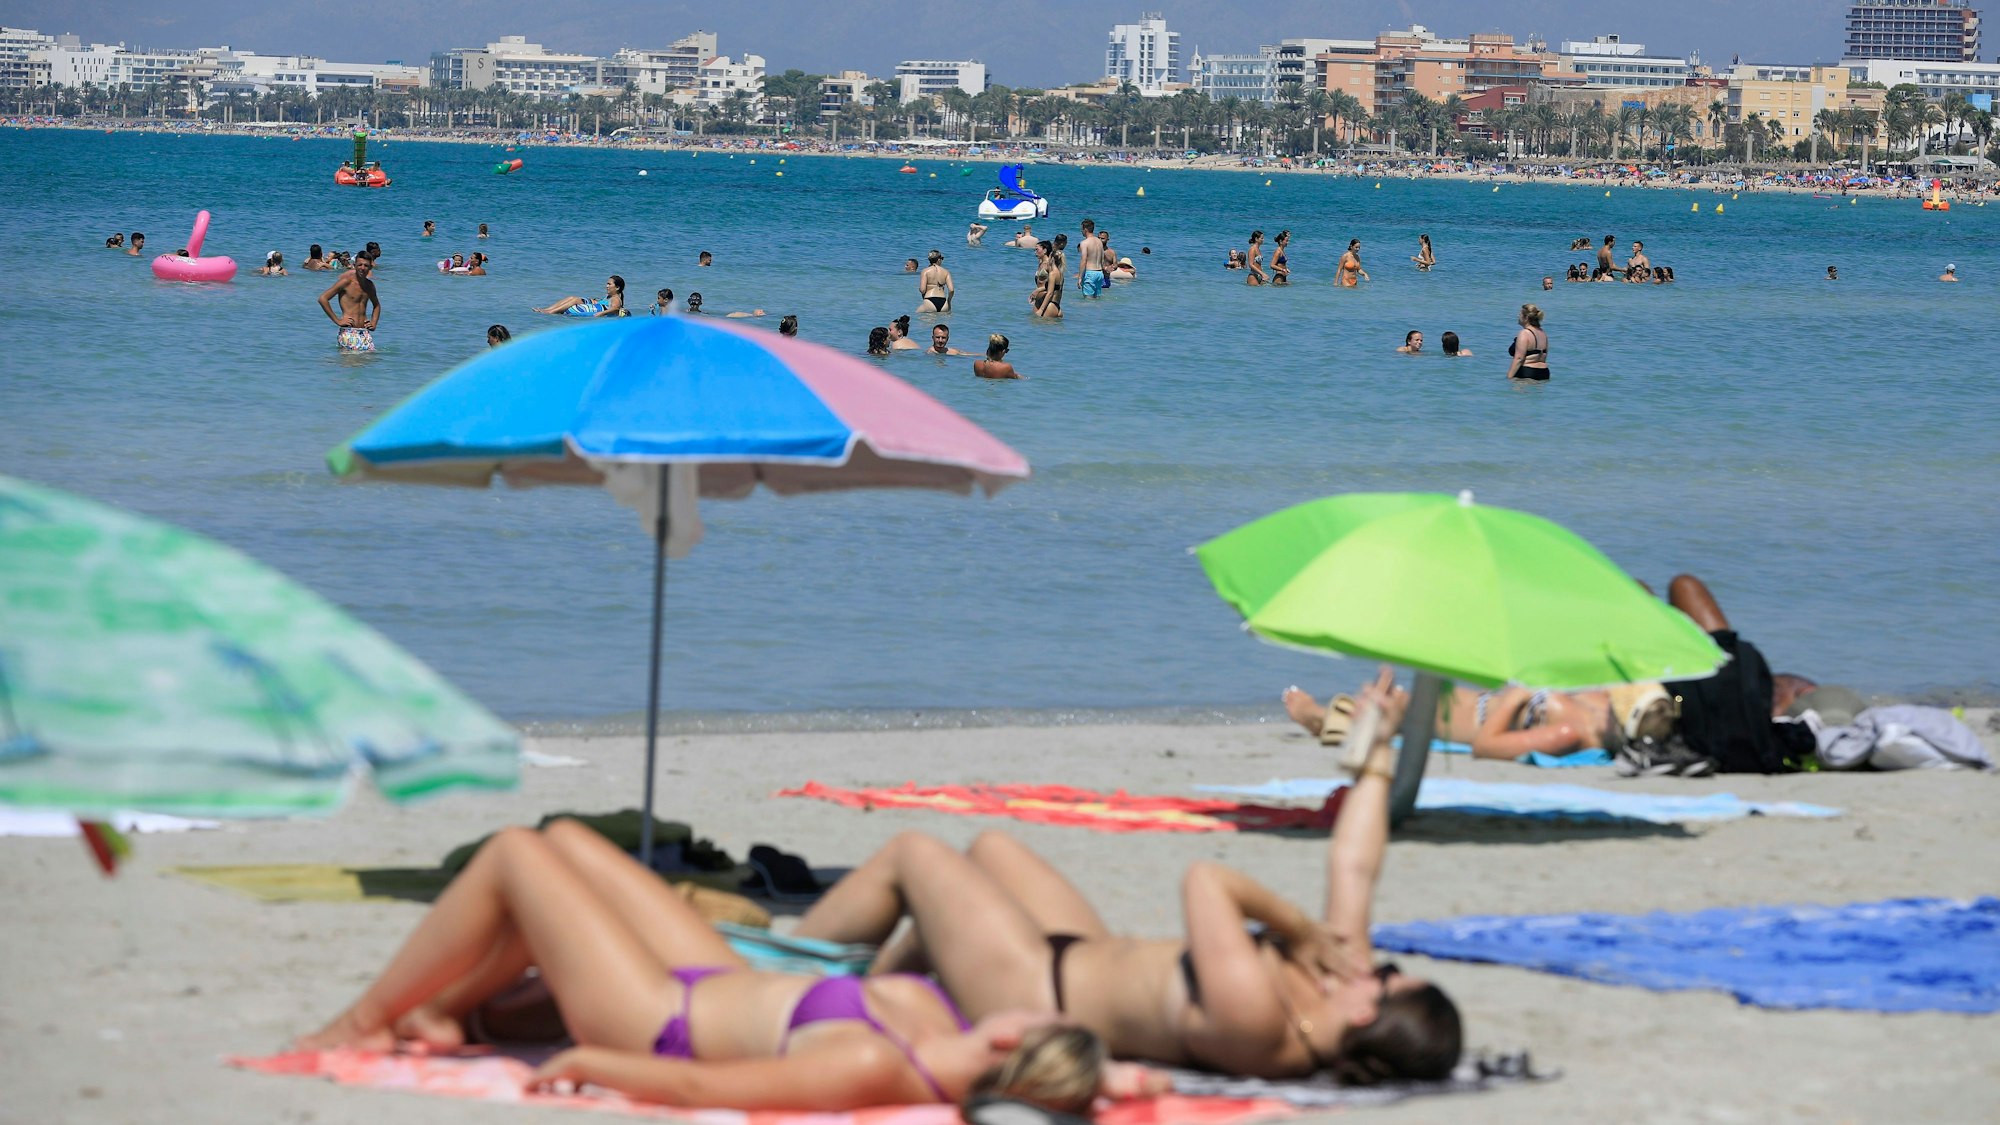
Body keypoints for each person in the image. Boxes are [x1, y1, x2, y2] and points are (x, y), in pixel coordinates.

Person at [794, 669, 1464, 1085]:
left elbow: (1206, 881)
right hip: (1083, 952)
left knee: (915, 853)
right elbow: (1355, 863)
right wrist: (1377, 746)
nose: (1373, 965)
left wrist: (1293, 924)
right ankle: (885, 989)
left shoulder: (1257, 1019)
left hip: (1036, 986)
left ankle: (786, 981)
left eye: (1385, 975)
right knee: (993, 848)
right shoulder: (1334, 982)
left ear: (1365, 1011)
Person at [297, 818, 1124, 1114]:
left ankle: (362, 1024)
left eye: (1054, 1029)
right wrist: (1101, 1083)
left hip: (662, 1019)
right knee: (573, 844)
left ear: (1012, 1051)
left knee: (519, 854)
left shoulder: (879, 1063)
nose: (1049, 1012)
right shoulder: (954, 1029)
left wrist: (589, 1060)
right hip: (718, 973)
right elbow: (1101, 1081)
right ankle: (453, 1012)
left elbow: (703, 1090)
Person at [319, 256, 381, 352]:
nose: (362, 268)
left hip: (365, 333)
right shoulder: (346, 282)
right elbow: (323, 299)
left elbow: (376, 305)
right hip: (348, 332)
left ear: (370, 267)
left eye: (366, 265)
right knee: (350, 364)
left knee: (368, 363)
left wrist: (373, 323)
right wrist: (337, 320)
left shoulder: (370, 285)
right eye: (360, 264)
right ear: (354, 265)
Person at [537, 276, 627, 317]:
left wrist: (601, 314)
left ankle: (551, 312)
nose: (606, 286)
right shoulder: (609, 296)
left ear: (617, 287)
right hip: (594, 304)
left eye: (609, 284)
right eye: (606, 284)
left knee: (575, 300)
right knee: (571, 297)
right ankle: (548, 309)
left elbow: (615, 308)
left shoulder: (616, 298)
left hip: (598, 310)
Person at [1504, 304, 1548, 381]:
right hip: (1544, 373)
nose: (1518, 315)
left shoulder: (1524, 333)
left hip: (1527, 372)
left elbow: (1519, 358)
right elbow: (1543, 357)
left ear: (1526, 318)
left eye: (1520, 314)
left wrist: (1508, 377)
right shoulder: (1543, 333)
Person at [1032, 242, 1063, 319]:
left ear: (1045, 250)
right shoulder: (1041, 263)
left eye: (1037, 249)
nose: (1035, 252)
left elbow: (1056, 285)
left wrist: (1038, 289)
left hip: (1048, 303)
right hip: (1041, 301)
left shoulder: (1049, 266)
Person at [1076, 219, 1106, 297]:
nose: (1081, 231)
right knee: (1097, 299)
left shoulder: (1084, 243)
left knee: (1088, 300)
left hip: (1090, 273)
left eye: (1082, 229)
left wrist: (1080, 277)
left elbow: (1083, 260)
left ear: (1085, 229)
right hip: (1099, 273)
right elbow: (1102, 259)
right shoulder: (1099, 242)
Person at [685, 292, 764, 318]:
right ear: (701, 303)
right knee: (728, 316)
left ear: (689, 301)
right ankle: (753, 314)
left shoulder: (683, 313)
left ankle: (753, 314)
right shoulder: (705, 314)